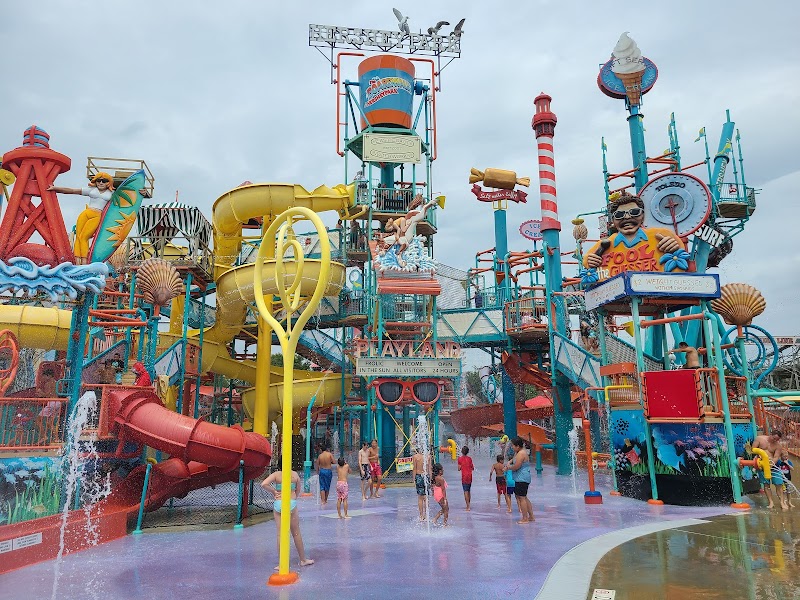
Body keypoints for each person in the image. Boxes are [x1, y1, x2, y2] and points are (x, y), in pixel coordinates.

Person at [584, 191, 684, 277]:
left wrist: (674, 245)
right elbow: (588, 259)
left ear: (643, 216)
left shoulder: (659, 235)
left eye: (634, 212)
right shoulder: (607, 244)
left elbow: (679, 247)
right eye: (619, 215)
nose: (627, 217)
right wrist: (589, 261)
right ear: (613, 221)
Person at [48, 172, 115, 264]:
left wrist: (141, 192)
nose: (101, 183)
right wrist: (55, 188)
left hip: (96, 215)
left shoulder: (111, 194)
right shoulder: (92, 190)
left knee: (84, 237)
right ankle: (76, 261)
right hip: (86, 213)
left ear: (109, 183)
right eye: (98, 180)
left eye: (104, 181)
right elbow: (72, 191)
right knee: (78, 237)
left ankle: (84, 262)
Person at [261, 468, 314, 568]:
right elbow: (298, 489)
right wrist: (293, 497)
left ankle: (282, 564)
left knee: (280, 535)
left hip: (279, 503)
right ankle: (303, 559)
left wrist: (274, 491)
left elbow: (264, 484)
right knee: (296, 533)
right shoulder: (294, 474)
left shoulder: (276, 474)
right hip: (291, 504)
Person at [752, 431, 788, 510]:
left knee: (779, 484)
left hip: (773, 465)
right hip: (762, 465)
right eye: (774, 438)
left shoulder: (778, 446)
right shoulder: (759, 439)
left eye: (777, 439)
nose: (775, 440)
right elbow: (753, 450)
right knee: (766, 485)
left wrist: (771, 465)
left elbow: (776, 457)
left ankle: (782, 502)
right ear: (770, 434)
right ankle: (771, 502)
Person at [505, 437, 534, 524]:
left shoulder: (521, 454)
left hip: (522, 478)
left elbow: (516, 466)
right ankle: (531, 516)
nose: (512, 447)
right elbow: (514, 460)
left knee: (521, 498)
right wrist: (509, 462)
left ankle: (525, 518)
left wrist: (508, 468)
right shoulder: (518, 452)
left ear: (517, 446)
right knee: (524, 497)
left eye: (513, 446)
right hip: (521, 477)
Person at [412, 446, 429, 520]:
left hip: (418, 476)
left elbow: (414, 469)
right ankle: (426, 515)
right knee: (426, 497)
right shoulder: (428, 456)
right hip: (426, 476)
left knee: (420, 497)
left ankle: (421, 515)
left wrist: (413, 479)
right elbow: (429, 469)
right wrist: (431, 479)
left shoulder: (415, 457)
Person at [457, 446, 475, 511]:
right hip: (470, 476)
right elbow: (473, 468)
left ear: (462, 451)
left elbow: (459, 469)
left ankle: (468, 506)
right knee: (469, 490)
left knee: (465, 491)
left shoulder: (460, 459)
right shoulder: (470, 459)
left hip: (464, 476)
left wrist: (462, 466)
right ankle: (468, 504)